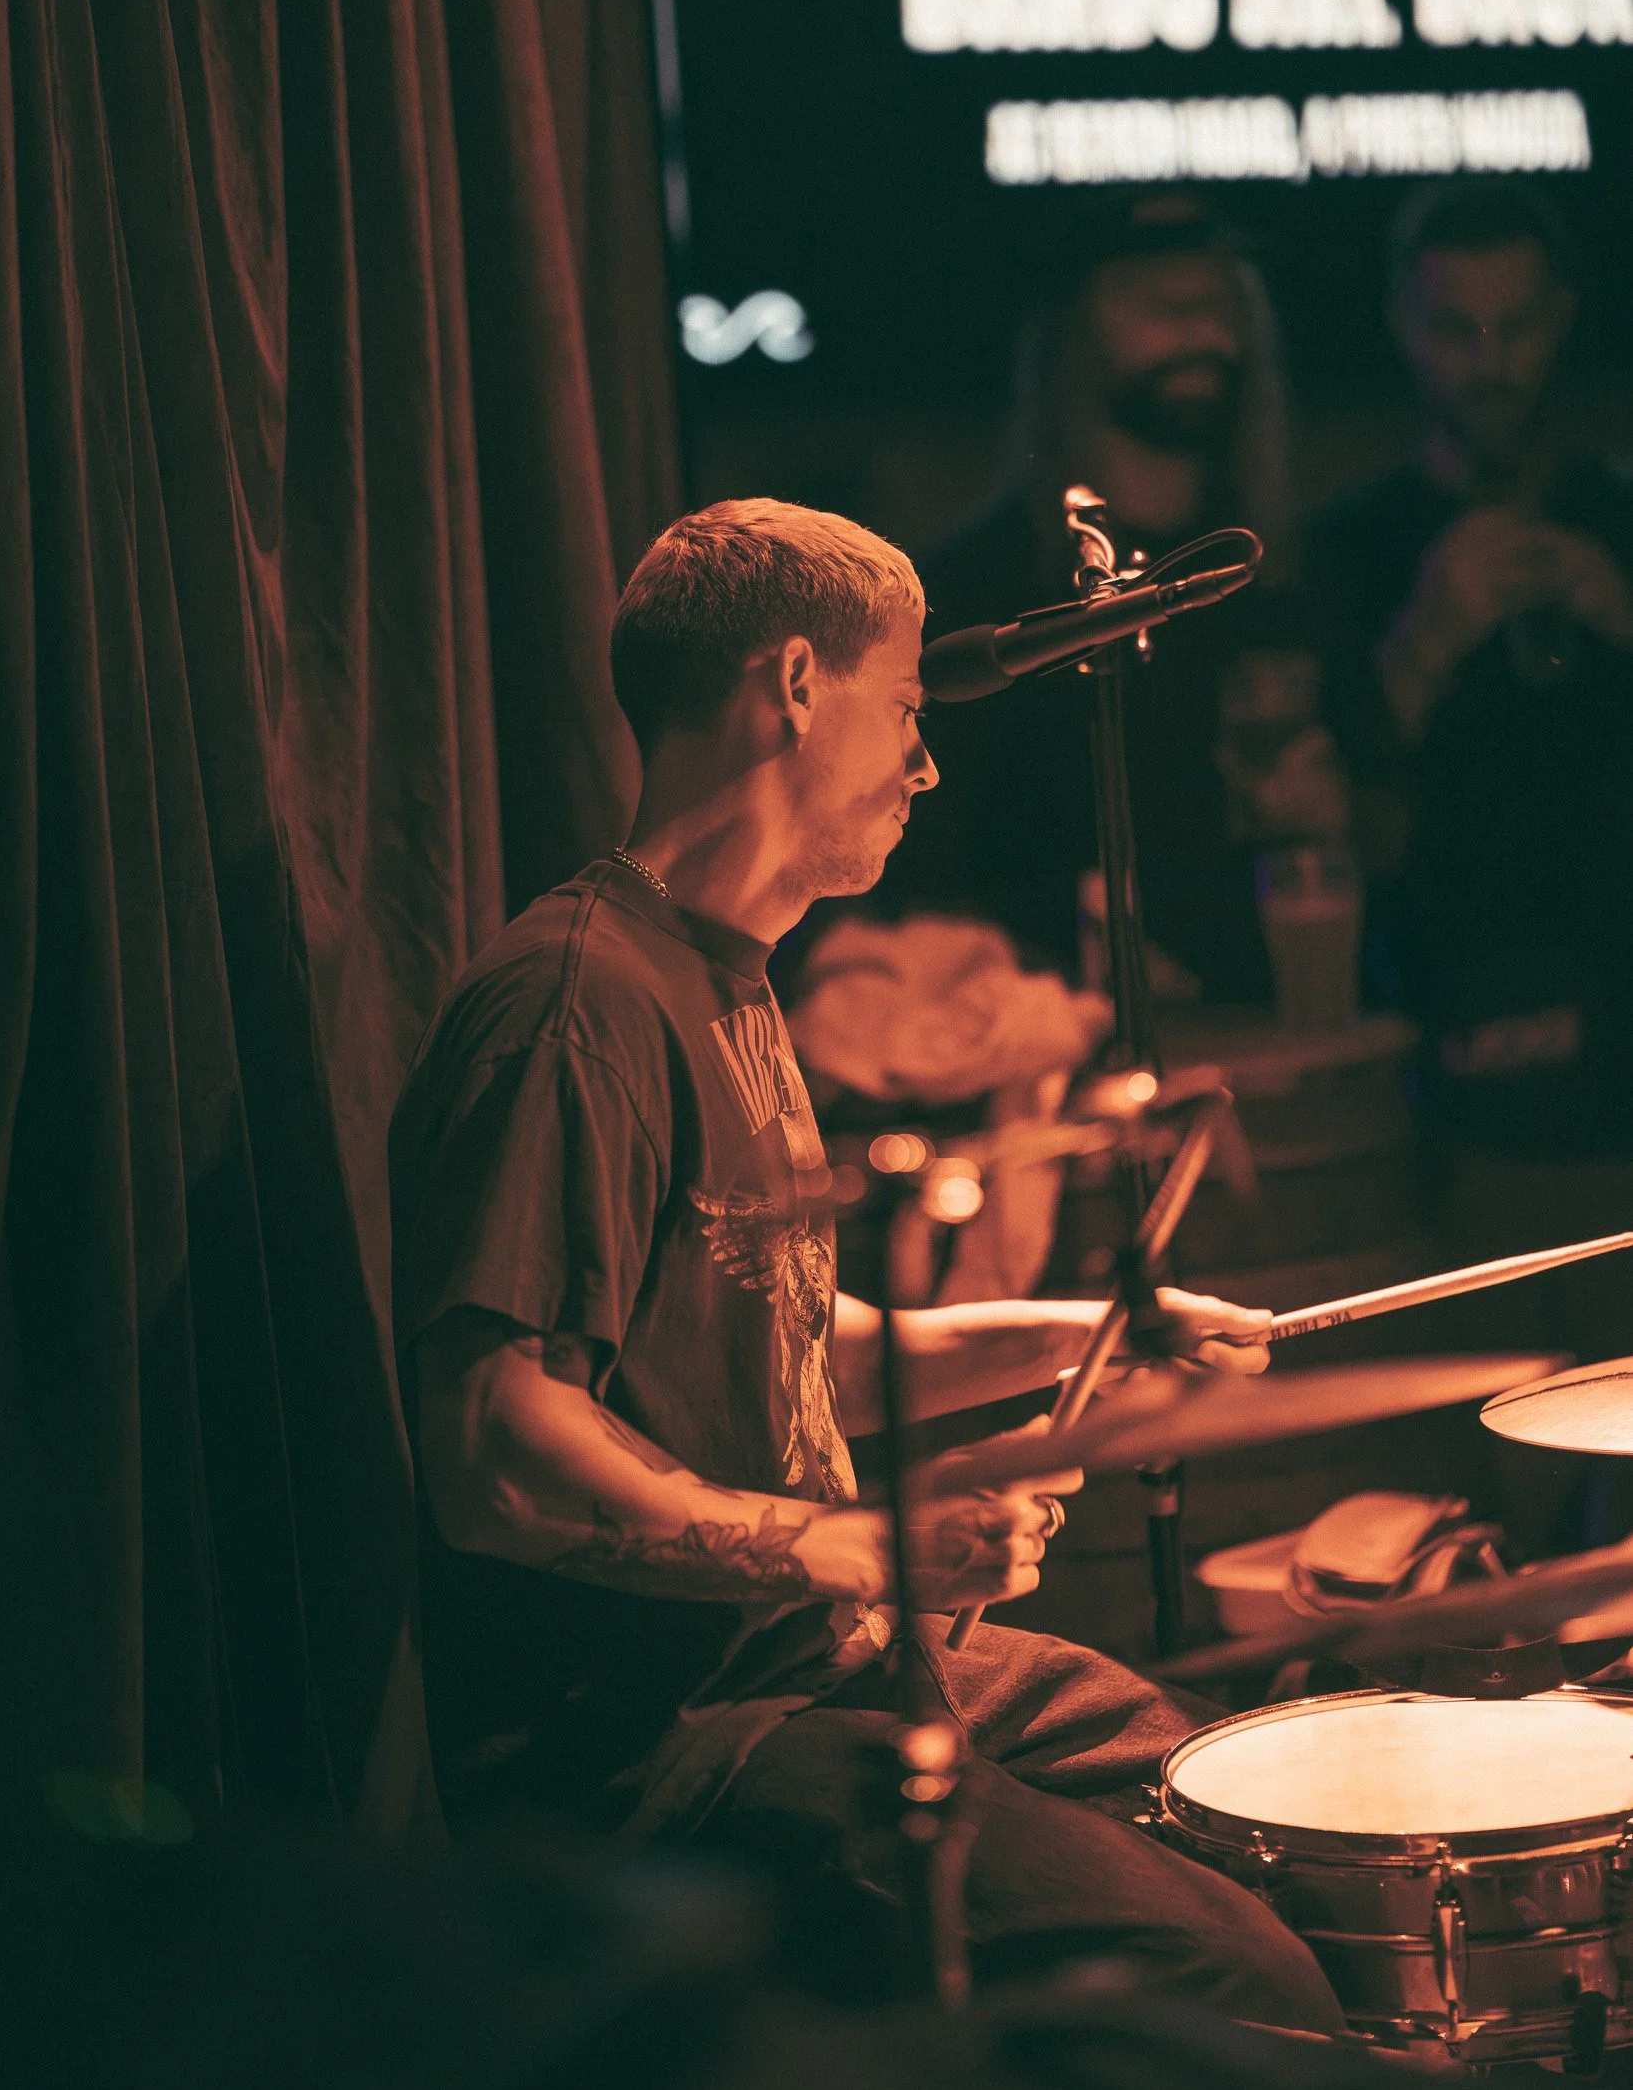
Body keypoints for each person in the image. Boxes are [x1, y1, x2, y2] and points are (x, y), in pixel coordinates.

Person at [388, 499, 1344, 2032]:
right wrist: (842, 1546)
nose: (927, 759)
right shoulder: (575, 1009)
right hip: (670, 1740)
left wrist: (1094, 1330)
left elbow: (786, 1333)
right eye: (903, 706)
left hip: (819, 1656)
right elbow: (495, 1451)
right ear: (788, 685)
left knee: (1239, 1806)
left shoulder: (725, 981)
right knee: (1225, 1977)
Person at [878, 193, 1346, 1004]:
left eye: (1215, 296)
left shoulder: (1276, 573)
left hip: (1281, 1036)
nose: (1196, 323)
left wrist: (1338, 812)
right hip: (1063, 1053)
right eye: (1154, 297)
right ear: (1071, 331)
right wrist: (1077, 951)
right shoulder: (978, 599)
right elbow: (913, 874)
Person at [1309, 181, 1633, 1212]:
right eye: (1455, 328)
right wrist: (1421, 644)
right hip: (1438, 1098)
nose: (1489, 359)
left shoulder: (1618, 523)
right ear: (1403, 328)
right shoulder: (1346, 552)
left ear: (1563, 316)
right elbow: (1323, 839)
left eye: (1516, 324)